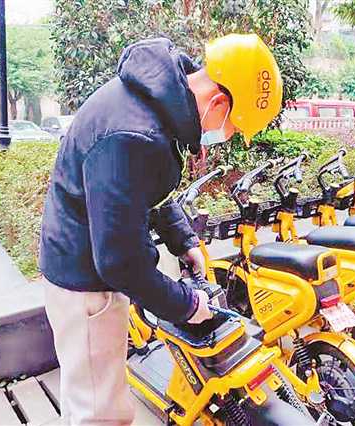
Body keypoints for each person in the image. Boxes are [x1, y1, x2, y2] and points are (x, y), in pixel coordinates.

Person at [39, 33, 282, 425]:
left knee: (88, 394)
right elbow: (119, 263)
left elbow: (143, 192)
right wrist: (187, 305)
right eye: (235, 126)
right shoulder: (135, 135)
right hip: (85, 285)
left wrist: (182, 239)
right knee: (100, 412)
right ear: (219, 102)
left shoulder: (154, 102)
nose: (229, 135)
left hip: (83, 260)